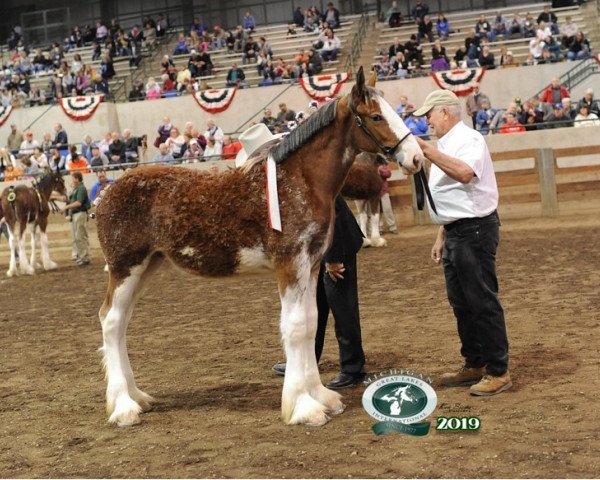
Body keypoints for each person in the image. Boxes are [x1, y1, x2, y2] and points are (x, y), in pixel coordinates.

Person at [412, 89, 511, 396]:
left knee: (481, 301)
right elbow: (451, 196)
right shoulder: (446, 143)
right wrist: (441, 233)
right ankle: (475, 362)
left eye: (430, 114)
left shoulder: (469, 140)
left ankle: (498, 371)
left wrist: (427, 151)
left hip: (474, 230)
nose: (427, 120)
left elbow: (465, 174)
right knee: (461, 303)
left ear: (446, 112)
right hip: (458, 232)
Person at [273, 195, 366, 389]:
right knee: (315, 309)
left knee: (343, 310)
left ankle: (352, 369)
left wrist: (333, 258)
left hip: (337, 248)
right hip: (317, 253)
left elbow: (332, 213)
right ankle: (306, 362)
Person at [56, 171, 91, 266]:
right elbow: (70, 200)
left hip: (80, 213)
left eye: (73, 178)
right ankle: (82, 256)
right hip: (76, 214)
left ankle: (84, 257)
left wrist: (66, 208)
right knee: (77, 236)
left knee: (80, 236)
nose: (72, 180)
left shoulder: (81, 189)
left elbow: (78, 203)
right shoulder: (77, 189)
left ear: (77, 179)